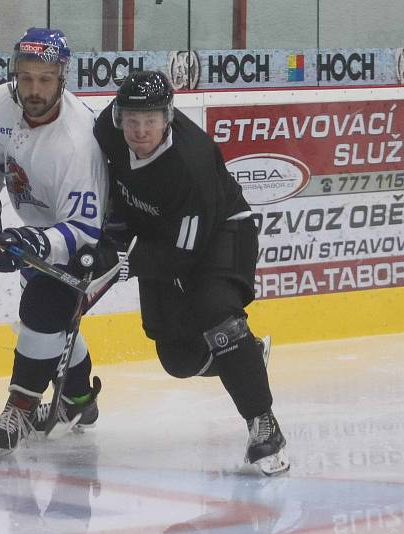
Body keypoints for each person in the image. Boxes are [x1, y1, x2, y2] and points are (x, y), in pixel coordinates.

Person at [92, 70, 289, 475]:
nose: (140, 130)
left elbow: (183, 256)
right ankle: (246, 358)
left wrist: (122, 264)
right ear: (118, 117)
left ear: (167, 117)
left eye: (150, 121)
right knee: (178, 358)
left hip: (220, 231)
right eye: (131, 119)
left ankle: (264, 424)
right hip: (159, 234)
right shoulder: (106, 131)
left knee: (218, 316)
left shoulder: (191, 163)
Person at [0, 27, 108, 459]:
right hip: (41, 226)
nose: (34, 89)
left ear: (63, 77)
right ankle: (79, 402)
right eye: (25, 78)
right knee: (53, 317)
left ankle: (21, 407)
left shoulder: (80, 141)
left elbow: (83, 229)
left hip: (95, 236)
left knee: (41, 309)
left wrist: (35, 243)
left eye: (44, 79)